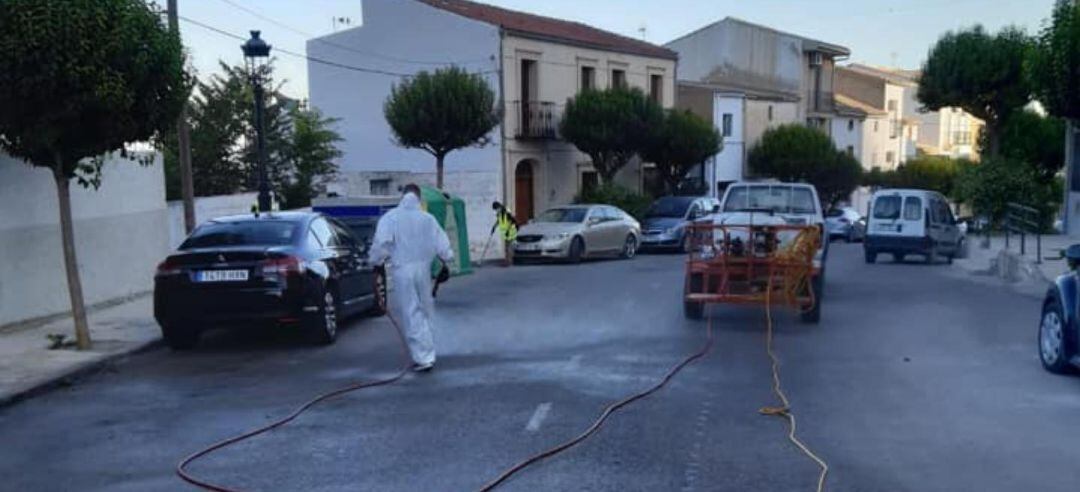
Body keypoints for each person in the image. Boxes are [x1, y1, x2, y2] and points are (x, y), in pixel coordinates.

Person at [369, 184, 454, 372]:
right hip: (424, 269)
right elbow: (442, 244)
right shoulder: (428, 219)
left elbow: (381, 243)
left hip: (403, 269)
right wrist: (447, 259)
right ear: (418, 197)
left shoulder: (390, 218)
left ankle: (424, 357)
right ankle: (428, 350)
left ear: (403, 195)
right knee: (426, 309)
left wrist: (375, 261)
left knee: (411, 312)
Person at [491, 201, 518, 266]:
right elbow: (498, 221)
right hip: (505, 232)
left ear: (499, 207)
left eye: (496, 209)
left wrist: (508, 230)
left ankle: (509, 261)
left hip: (510, 231)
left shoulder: (506, 211)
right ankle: (508, 261)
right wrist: (494, 227)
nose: (496, 210)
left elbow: (512, 221)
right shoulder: (499, 213)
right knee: (507, 247)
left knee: (509, 247)